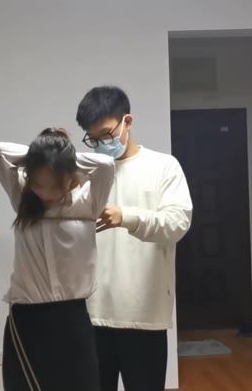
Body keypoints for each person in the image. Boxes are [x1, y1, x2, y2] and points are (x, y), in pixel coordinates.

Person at [75, 86, 193, 391]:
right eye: (92, 139)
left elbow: (177, 224)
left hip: (143, 314)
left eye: (105, 134)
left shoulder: (163, 167)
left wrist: (126, 217)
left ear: (127, 121)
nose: (100, 144)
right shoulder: (86, 173)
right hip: (92, 313)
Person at [0, 127, 115, 391]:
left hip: (71, 317)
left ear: (70, 177)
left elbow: (105, 164)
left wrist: (62, 159)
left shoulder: (89, 202)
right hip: (26, 318)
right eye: (38, 184)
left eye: (54, 185)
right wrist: (41, 156)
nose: (45, 194)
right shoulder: (22, 198)